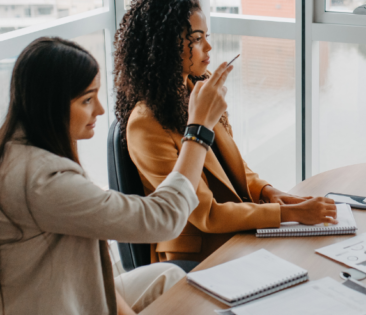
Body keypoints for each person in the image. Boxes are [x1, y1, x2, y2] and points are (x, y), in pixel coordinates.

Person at [0, 37, 232, 314]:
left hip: (66, 285)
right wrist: (198, 130)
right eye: (87, 99)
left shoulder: (22, 149)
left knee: (168, 277)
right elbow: (164, 217)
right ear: (50, 105)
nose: (99, 109)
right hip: (50, 304)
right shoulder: (42, 181)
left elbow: (95, 268)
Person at [114, 0, 336, 263]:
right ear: (163, 47)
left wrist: (269, 192)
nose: (208, 47)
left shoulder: (197, 88)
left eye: (206, 36)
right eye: (196, 39)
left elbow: (233, 167)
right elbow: (207, 215)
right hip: (194, 257)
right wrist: (289, 214)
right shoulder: (145, 125)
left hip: (232, 233)